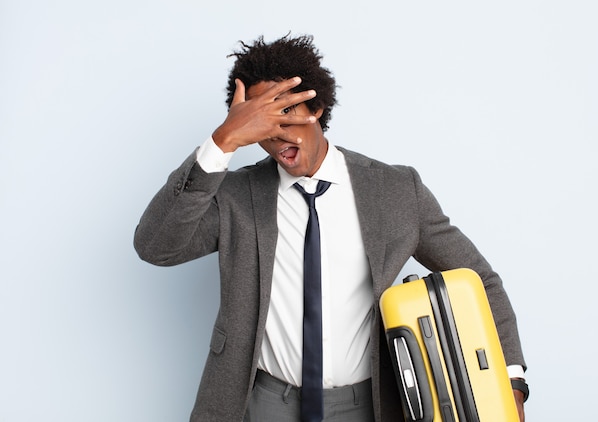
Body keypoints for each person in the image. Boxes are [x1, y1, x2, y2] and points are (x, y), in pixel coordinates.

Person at [134, 34, 528, 422]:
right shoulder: (235, 195)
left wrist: (509, 383)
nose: (273, 134)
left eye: (282, 113)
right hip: (264, 402)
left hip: (369, 403)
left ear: (316, 107)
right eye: (259, 122)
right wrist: (222, 141)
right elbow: (157, 246)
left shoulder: (395, 190)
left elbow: (481, 280)